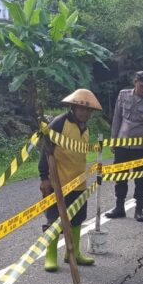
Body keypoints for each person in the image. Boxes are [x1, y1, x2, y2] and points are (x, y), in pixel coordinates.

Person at [38, 89, 102, 272]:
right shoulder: (59, 123)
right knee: (54, 220)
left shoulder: (86, 128)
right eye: (81, 109)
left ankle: (72, 253)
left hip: (79, 182)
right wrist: (44, 177)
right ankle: (50, 257)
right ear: (73, 107)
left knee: (77, 218)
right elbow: (45, 150)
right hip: (58, 182)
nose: (85, 113)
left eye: (88, 111)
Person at [105, 71, 143, 222]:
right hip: (122, 144)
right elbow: (117, 118)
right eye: (142, 86)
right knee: (120, 177)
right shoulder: (123, 95)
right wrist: (113, 140)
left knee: (140, 178)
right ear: (135, 82)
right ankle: (119, 207)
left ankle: (139, 209)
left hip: (140, 146)